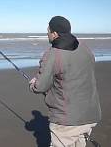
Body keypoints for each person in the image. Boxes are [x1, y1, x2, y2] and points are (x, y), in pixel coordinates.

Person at [28, 16, 101, 147]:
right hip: (91, 114)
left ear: (54, 33)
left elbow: (40, 87)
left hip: (66, 120)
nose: (47, 33)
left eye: (48, 30)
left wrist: (33, 83)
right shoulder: (85, 48)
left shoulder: (53, 54)